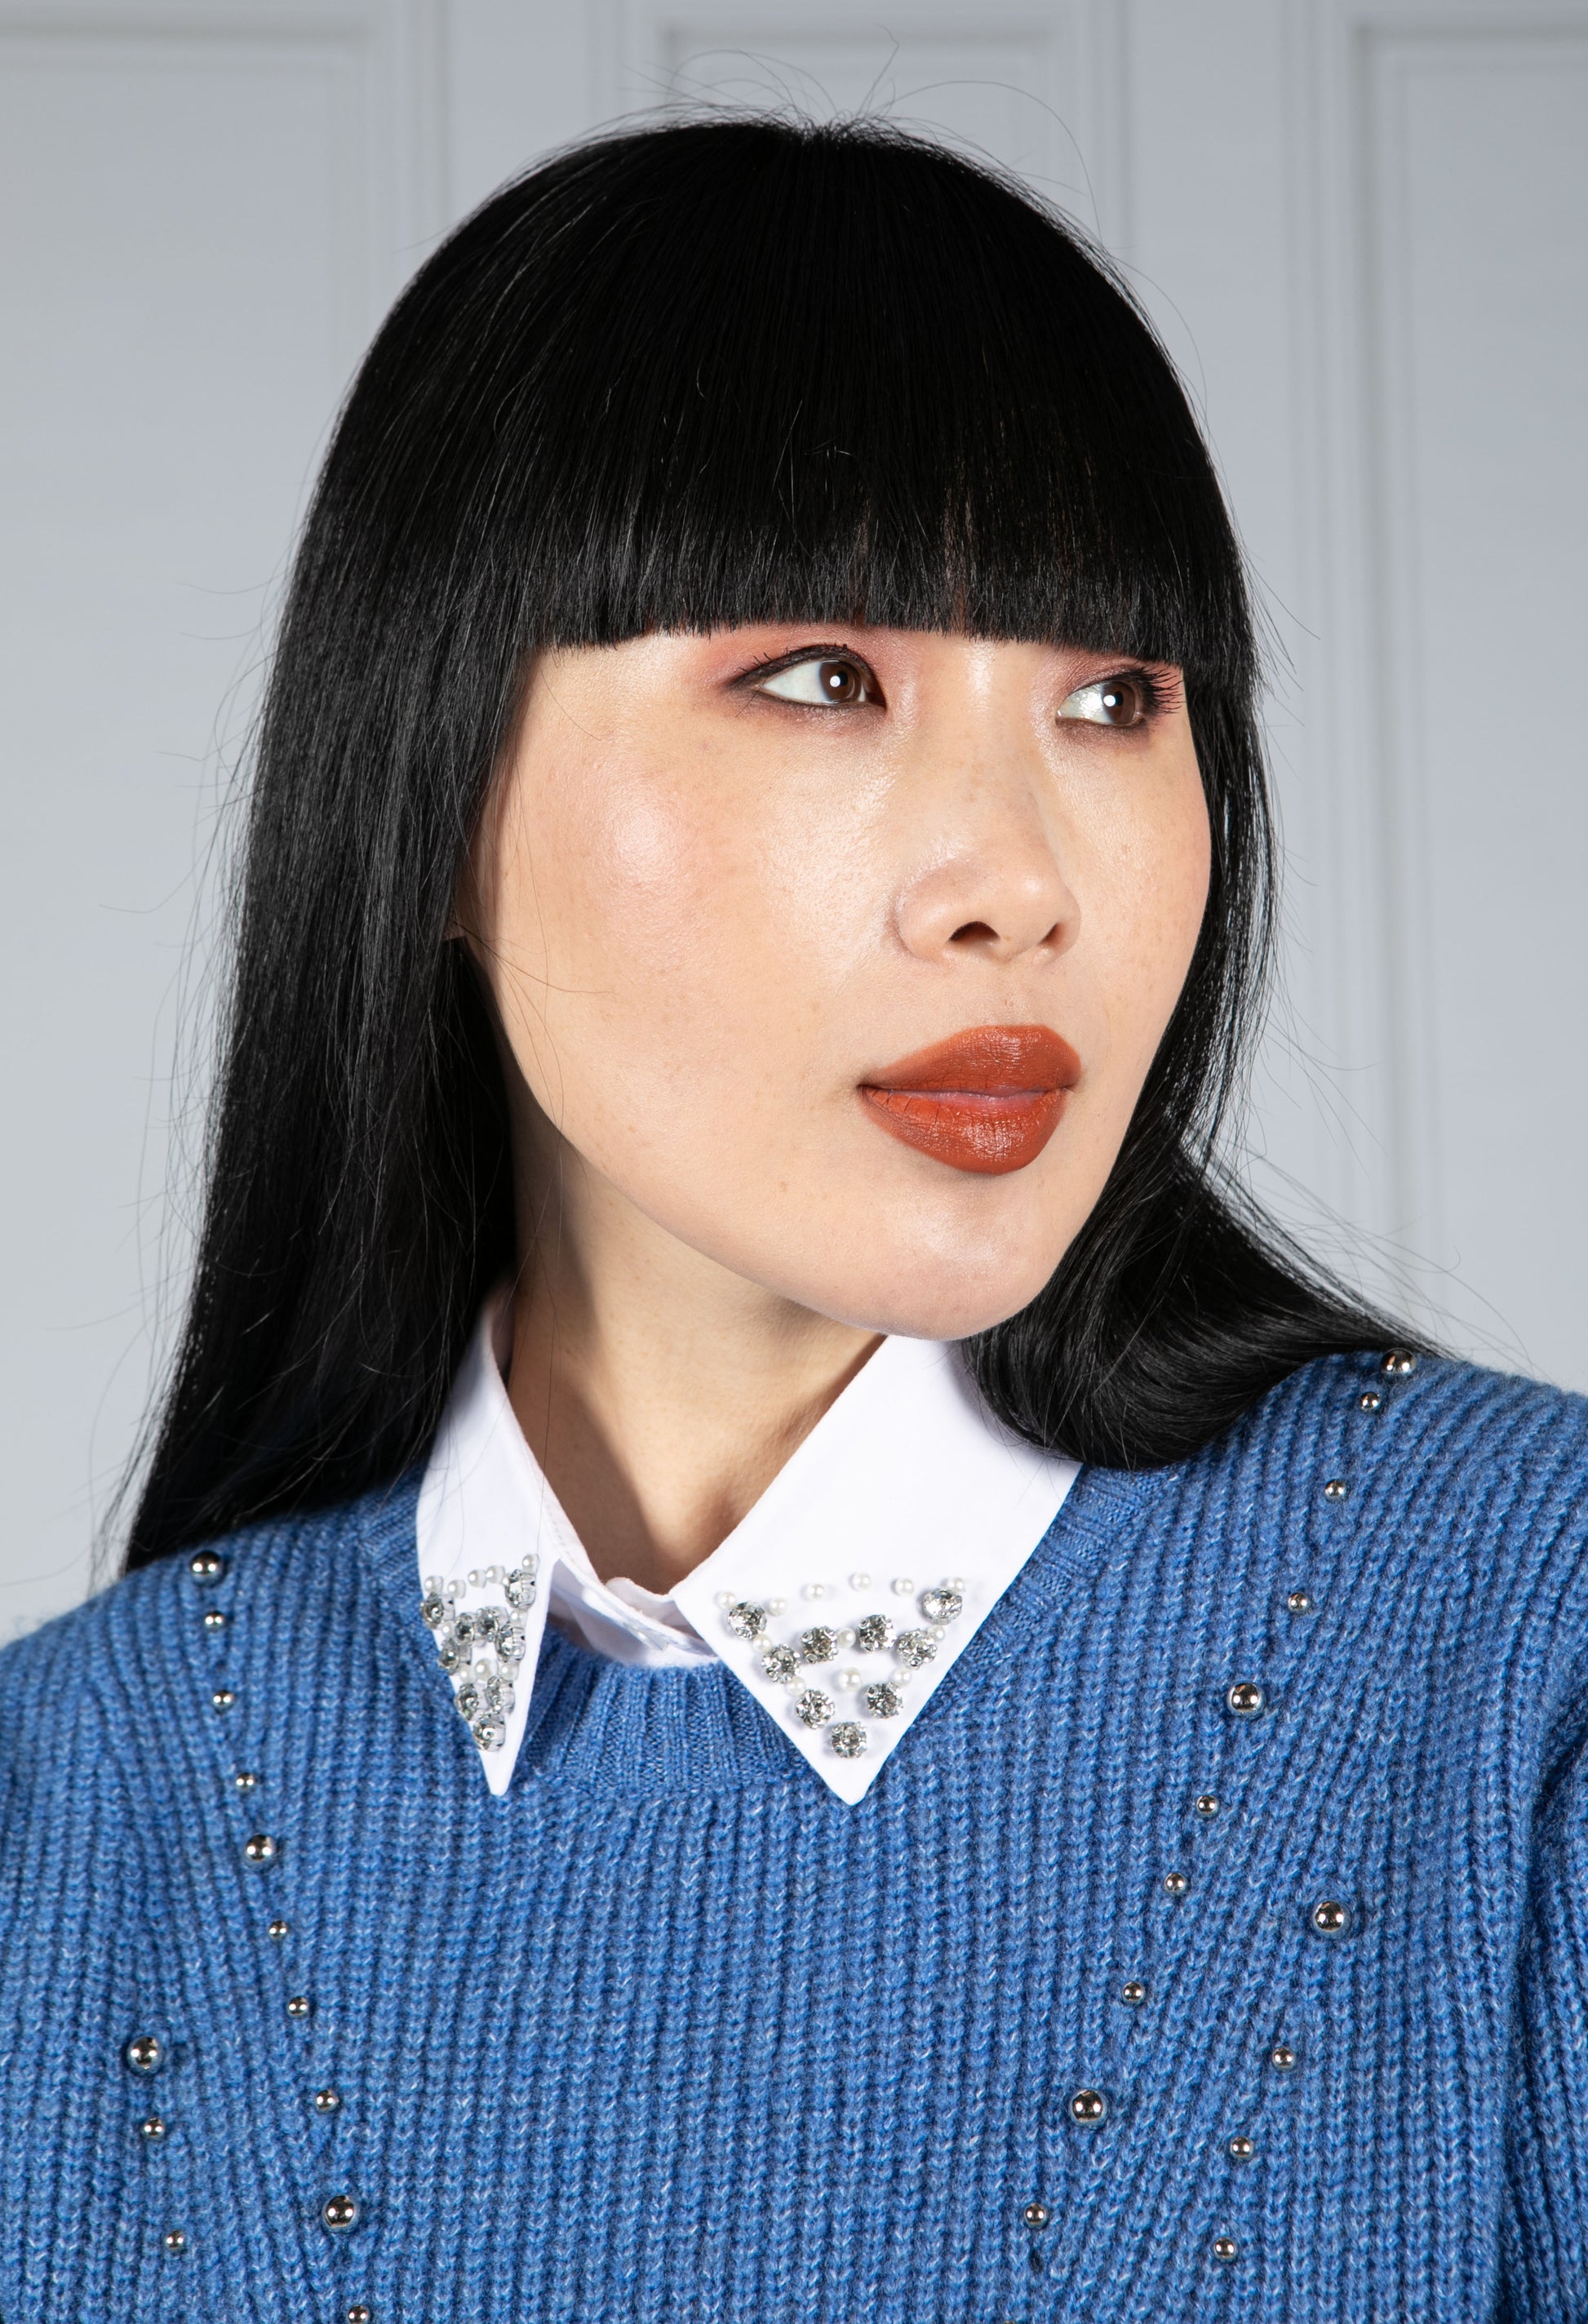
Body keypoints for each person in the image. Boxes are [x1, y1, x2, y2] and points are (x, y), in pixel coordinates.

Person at [2, 113, 1584, 2324]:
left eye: (1115, 698)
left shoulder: (1526, 1663)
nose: (1017, 881)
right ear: (431, 790)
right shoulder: (67, 1804)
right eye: (824, 679)